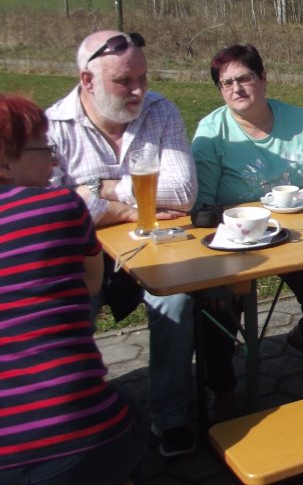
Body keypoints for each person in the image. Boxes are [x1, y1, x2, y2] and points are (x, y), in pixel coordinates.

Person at [46, 30, 199, 457]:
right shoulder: (53, 126)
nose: (138, 90)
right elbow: (54, 207)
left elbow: (183, 191)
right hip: (81, 256)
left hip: (156, 246)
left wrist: (101, 189)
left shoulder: (159, 109)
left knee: (176, 300)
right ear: (87, 80)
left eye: (143, 78)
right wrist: (132, 208)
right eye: (124, 81)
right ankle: (75, 419)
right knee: (70, 310)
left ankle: (170, 417)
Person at [192, 44, 303, 417]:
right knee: (216, 308)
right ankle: (223, 388)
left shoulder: (298, 119)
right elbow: (202, 209)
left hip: (299, 234)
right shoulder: (212, 132)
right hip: (238, 239)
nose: (236, 88)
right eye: (226, 83)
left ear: (263, 78)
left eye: (244, 78)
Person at [0, 95, 147, 483]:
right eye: (45, 149)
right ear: (4, 163)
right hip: (75, 436)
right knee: (134, 413)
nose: (55, 161)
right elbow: (91, 284)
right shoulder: (59, 206)